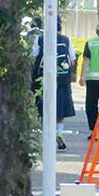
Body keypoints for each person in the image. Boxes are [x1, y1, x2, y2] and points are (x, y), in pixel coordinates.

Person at [32, 16, 76, 149]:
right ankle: (60, 133)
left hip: (43, 79)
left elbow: (33, 56)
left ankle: (46, 136)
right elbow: (72, 60)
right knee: (61, 109)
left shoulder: (40, 39)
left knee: (43, 107)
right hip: (62, 79)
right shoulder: (66, 40)